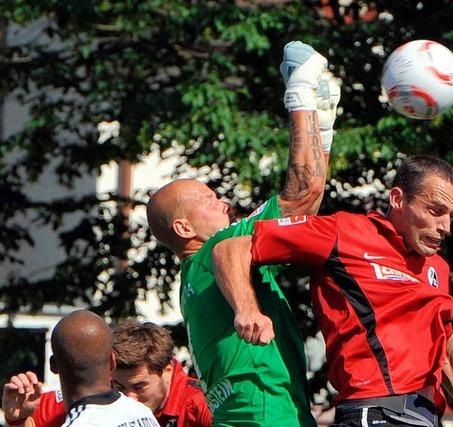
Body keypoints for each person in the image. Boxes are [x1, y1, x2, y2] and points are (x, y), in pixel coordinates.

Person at [212, 155, 453, 427]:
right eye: (436, 211)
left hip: (426, 418)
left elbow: (447, 352)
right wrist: (247, 309)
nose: (446, 227)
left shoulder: (437, 267)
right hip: (374, 413)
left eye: (451, 214)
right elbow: (232, 247)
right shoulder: (345, 232)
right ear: (398, 199)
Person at [146, 41, 339, 426]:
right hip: (264, 414)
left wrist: (322, 124)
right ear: (184, 228)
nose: (224, 204)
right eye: (208, 199)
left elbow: (304, 208)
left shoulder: (197, 276)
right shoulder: (215, 251)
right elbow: (304, 193)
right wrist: (300, 96)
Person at [2, 321, 211, 427]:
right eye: (118, 387)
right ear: (110, 366)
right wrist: (17, 419)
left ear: (168, 370)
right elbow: (30, 419)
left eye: (139, 387)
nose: (130, 398)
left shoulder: (202, 405)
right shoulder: (87, 404)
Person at [2, 310, 159, 426]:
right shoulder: (143, 414)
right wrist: (20, 421)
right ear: (112, 361)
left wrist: (16, 421)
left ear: (53, 366)